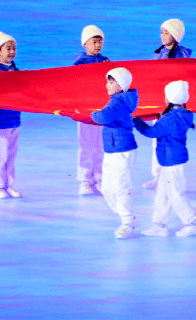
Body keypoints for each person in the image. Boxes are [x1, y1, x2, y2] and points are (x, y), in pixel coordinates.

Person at [134, 81, 196, 237]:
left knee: (176, 193)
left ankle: (192, 223)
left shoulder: (170, 118)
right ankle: (159, 224)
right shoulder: (182, 115)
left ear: (170, 98)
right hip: (170, 159)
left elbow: (151, 132)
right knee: (163, 193)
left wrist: (136, 120)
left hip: (172, 160)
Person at [143, 18, 192, 190]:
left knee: (174, 139)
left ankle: (174, 175)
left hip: (175, 106)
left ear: (175, 35)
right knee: (157, 139)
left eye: (166, 32)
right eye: (161, 32)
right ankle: (159, 175)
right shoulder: (159, 53)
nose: (162, 36)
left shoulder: (183, 56)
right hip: (160, 103)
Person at [91, 68, 140, 239]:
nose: (108, 85)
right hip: (113, 149)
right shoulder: (119, 100)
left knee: (121, 187)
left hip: (122, 150)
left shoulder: (118, 102)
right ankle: (130, 217)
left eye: (112, 82)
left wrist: (91, 113)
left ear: (122, 85)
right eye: (108, 81)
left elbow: (102, 117)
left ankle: (127, 223)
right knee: (107, 188)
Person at [75, 25, 109, 196]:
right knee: (87, 145)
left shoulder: (106, 61)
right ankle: (86, 180)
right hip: (86, 110)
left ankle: (101, 178)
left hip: (102, 108)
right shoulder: (79, 63)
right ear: (85, 44)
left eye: (100, 42)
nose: (97, 45)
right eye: (94, 42)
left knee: (101, 145)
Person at [0, 31, 23, 199]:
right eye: (8, 48)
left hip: (14, 118)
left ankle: (9, 184)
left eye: (14, 48)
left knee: (11, 154)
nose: (11, 52)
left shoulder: (16, 72)